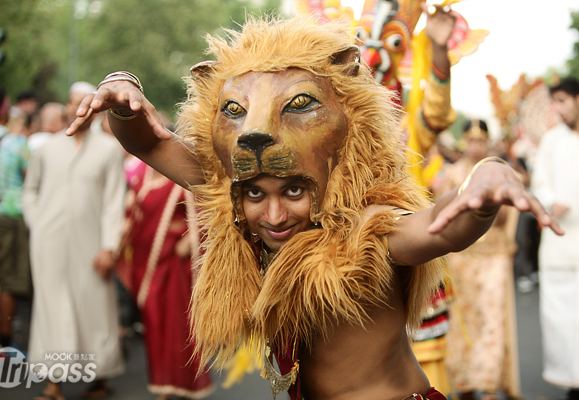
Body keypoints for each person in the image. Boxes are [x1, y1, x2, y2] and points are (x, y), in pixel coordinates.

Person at [67, 17, 562, 400]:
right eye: (257, 194)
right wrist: (122, 85)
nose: (275, 214)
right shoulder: (240, 201)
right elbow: (149, 142)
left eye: (294, 193)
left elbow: (439, 227)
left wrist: (487, 180)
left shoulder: (367, 230)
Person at [23, 82, 126, 400]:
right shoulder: (47, 148)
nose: (77, 107)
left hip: (92, 245)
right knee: (51, 309)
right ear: (66, 107)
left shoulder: (109, 149)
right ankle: (55, 384)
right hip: (48, 244)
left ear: (97, 110)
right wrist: (35, 221)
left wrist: (110, 246)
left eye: (85, 102)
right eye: (72, 102)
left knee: (94, 309)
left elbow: (114, 202)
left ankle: (100, 377)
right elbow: (30, 190)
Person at [116, 159, 214, 400]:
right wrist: (116, 247)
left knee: (175, 325)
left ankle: (178, 383)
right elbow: (131, 215)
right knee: (153, 322)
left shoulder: (181, 177)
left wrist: (187, 242)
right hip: (145, 259)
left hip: (174, 265)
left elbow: (204, 215)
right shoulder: (142, 178)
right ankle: (162, 380)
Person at [439, 120, 521, 400]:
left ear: (487, 142)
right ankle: (465, 382)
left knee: (491, 317)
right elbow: (444, 213)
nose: (476, 146)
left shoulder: (500, 173)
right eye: (471, 141)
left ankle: (488, 384)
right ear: (464, 142)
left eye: (480, 141)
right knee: (464, 319)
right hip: (462, 257)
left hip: (494, 254)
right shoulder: (452, 174)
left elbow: (510, 214)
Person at [531, 77, 579, 400]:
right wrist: (550, 202)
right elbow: (539, 182)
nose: (557, 109)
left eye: (562, 100)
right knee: (563, 321)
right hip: (560, 243)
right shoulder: (551, 140)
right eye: (554, 102)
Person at [0, 90, 32, 357]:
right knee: (9, 279)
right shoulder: (15, 143)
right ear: (2, 111)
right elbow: (31, 176)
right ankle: (4, 340)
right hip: (8, 215)